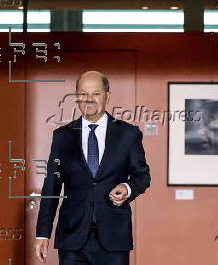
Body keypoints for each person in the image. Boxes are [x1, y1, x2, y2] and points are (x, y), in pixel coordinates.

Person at [35, 71, 151, 265]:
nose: (89, 99)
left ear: (108, 96)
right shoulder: (62, 137)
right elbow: (51, 187)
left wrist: (128, 188)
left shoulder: (128, 134)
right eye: (83, 94)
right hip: (72, 239)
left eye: (96, 93)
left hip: (114, 238)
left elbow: (143, 176)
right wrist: (42, 233)